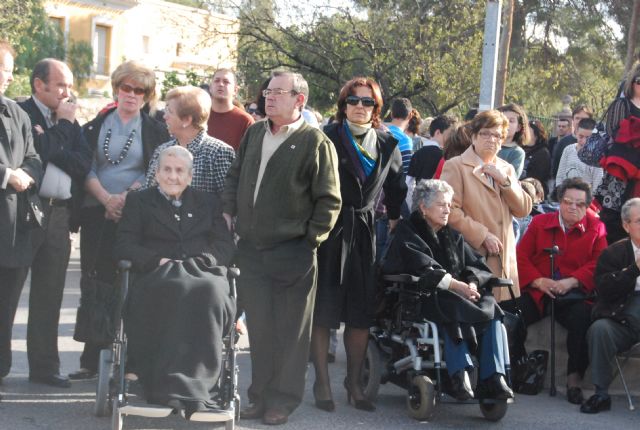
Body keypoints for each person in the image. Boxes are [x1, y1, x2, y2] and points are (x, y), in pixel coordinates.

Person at [222, 71, 341, 425]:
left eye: (277, 93)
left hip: (294, 252)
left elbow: (329, 201)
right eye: (267, 92)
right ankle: (259, 395)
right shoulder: (255, 132)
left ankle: (282, 401)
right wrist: (229, 209)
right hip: (252, 251)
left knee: (291, 333)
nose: (268, 98)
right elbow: (235, 175)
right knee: (260, 329)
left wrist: (309, 242)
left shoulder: (315, 142)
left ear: (298, 100)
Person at [114, 146, 235, 416]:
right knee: (171, 289)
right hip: (157, 274)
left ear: (190, 176)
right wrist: (158, 261)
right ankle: (159, 384)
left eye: (179, 171)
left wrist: (202, 261)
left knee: (211, 291)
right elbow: (124, 245)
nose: (172, 176)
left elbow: (225, 247)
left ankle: (202, 386)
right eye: (166, 169)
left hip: (202, 273)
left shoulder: (208, 202)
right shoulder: (139, 201)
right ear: (156, 173)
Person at [311, 77, 407, 413]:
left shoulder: (387, 143)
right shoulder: (325, 136)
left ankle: (353, 383)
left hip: (365, 233)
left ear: (377, 108)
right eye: (353, 100)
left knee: (360, 315)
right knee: (322, 311)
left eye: (367, 102)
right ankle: (322, 382)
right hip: (328, 230)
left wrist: (396, 220)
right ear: (343, 104)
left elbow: (397, 190)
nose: (359, 106)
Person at [69, 61, 170, 380]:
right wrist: (106, 199)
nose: (131, 94)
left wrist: (126, 198)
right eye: (126, 87)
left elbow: (155, 167)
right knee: (95, 280)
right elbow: (86, 164)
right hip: (95, 209)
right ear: (116, 88)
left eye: (139, 89)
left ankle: (126, 356)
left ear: (147, 95)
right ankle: (91, 356)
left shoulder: (155, 128)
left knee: (127, 281)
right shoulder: (97, 124)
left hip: (135, 212)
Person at [382, 179, 513, 401]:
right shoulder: (408, 231)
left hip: (457, 294)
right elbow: (420, 266)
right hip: (421, 296)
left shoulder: (452, 235)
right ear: (423, 207)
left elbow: (475, 265)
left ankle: (494, 377)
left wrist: (471, 282)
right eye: (442, 204)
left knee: (492, 308)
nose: (447, 209)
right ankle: (459, 373)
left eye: (449, 205)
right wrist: (456, 285)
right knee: (452, 305)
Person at [17, 59, 91, 388]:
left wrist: (54, 137)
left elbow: (82, 164)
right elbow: (34, 155)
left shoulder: (70, 119)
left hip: (59, 214)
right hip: (25, 212)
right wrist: (58, 132)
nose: (67, 92)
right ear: (39, 85)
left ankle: (45, 367)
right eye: (60, 85)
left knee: (50, 294)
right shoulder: (21, 114)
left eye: (70, 85)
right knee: (8, 291)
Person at [511, 177, 607, 404]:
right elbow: (520, 257)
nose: (573, 207)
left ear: (587, 206)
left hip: (573, 293)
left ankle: (574, 378)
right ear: (559, 202)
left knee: (583, 319)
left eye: (579, 204)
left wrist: (573, 281)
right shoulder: (540, 222)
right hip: (539, 290)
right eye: (567, 201)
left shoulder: (597, 227)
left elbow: (599, 263)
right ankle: (516, 369)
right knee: (510, 315)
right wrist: (537, 281)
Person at [440, 110, 532, 301]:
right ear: (473, 137)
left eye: (497, 135)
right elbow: (448, 211)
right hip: (474, 260)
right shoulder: (456, 166)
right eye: (485, 133)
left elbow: (523, 209)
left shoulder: (506, 168)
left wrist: (506, 182)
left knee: (503, 321)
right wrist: (482, 235)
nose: (492, 139)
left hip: (504, 262)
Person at [0, 40, 42, 385]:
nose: (5, 76)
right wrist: (5, 175)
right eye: (2, 67)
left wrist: (27, 173)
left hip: (13, 230)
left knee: (5, 308)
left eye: (10, 70)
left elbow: (34, 158)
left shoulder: (18, 113)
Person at [581, 197, 640, 413]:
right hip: (623, 317)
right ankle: (601, 393)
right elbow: (605, 290)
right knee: (600, 329)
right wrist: (634, 269)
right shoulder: (613, 253)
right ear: (626, 226)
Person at [144, 86, 235, 195]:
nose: (164, 116)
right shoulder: (162, 150)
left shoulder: (218, 153)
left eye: (170, 111)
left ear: (187, 120)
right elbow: (147, 193)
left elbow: (227, 203)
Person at [591, 63, 640, 244]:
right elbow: (612, 132)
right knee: (613, 216)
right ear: (631, 82)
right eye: (639, 81)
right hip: (620, 170)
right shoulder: (622, 104)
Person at [406, 115, 457, 208]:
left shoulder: (417, 154)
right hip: (438, 206)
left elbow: (409, 183)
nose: (451, 137)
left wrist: (412, 206)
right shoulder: (444, 156)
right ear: (438, 132)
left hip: (420, 205)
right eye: (449, 133)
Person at [207, 68, 254, 150]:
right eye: (217, 81)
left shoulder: (245, 120)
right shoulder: (199, 115)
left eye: (226, 82)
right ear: (210, 87)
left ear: (235, 90)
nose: (220, 84)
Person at [555, 118, 602, 196]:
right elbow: (560, 175)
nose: (584, 141)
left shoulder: (597, 156)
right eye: (581, 136)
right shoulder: (568, 150)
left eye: (588, 138)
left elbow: (597, 183)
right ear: (576, 133)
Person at [551, 105, 593, 190]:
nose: (579, 121)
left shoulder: (596, 144)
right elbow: (556, 171)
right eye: (577, 118)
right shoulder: (563, 143)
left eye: (583, 118)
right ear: (573, 120)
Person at [497, 103, 530, 178]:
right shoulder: (489, 143)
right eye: (503, 120)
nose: (506, 123)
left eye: (511, 121)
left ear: (518, 127)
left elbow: (512, 179)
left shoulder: (517, 152)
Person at [521, 119, 551, 195]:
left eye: (528, 132)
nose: (525, 134)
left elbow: (538, 176)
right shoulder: (520, 149)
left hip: (534, 192)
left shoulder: (543, 153)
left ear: (536, 134)